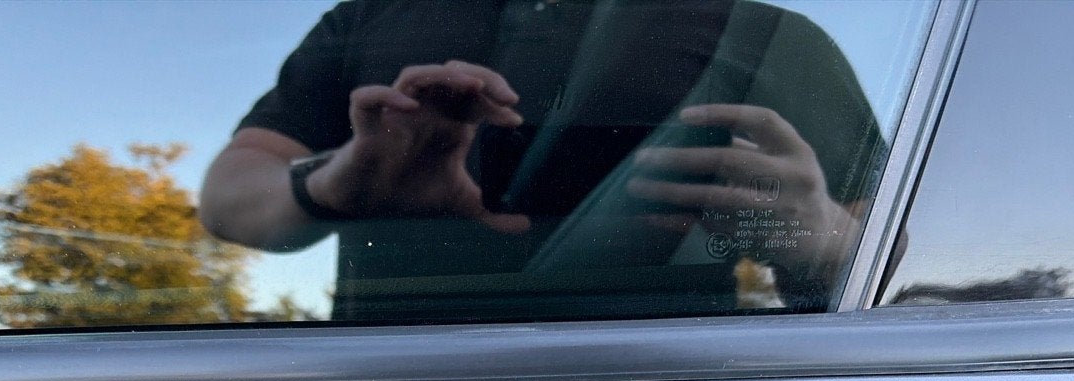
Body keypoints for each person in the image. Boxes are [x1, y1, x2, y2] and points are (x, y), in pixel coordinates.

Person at [201, 0, 888, 321]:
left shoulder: (768, 34)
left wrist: (822, 237)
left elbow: (894, 255)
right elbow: (228, 197)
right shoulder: (369, 16)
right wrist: (335, 182)